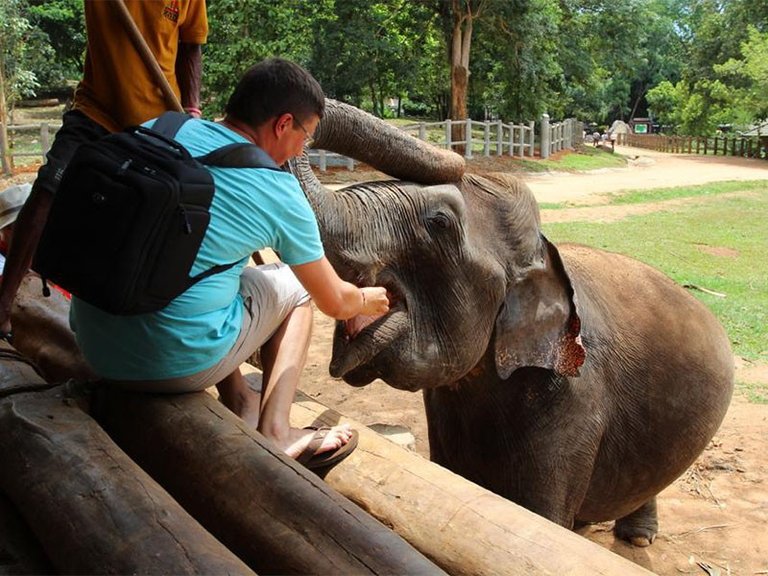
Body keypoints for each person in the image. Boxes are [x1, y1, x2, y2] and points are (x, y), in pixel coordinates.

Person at [69, 57, 390, 468]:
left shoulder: (162, 127)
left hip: (94, 344)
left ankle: (239, 398)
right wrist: (365, 299)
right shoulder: (276, 189)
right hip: (166, 364)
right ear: (283, 124)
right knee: (293, 288)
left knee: (216, 273)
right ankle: (277, 431)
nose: (301, 149)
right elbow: (334, 302)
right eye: (305, 137)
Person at [0, 0, 208, 342]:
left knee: (158, 224)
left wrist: (191, 107)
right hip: (95, 111)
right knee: (47, 191)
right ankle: (3, 307)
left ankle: (159, 333)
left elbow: (190, 46)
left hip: (156, 122)